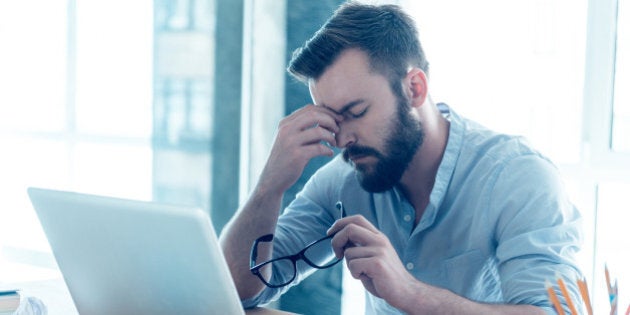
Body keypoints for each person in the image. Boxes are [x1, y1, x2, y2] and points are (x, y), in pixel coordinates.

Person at [220, 2, 583, 314]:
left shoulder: (518, 178)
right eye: (331, 118)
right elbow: (237, 290)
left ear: (415, 88)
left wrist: (411, 294)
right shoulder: (344, 180)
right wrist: (269, 185)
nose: (342, 138)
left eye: (356, 111)